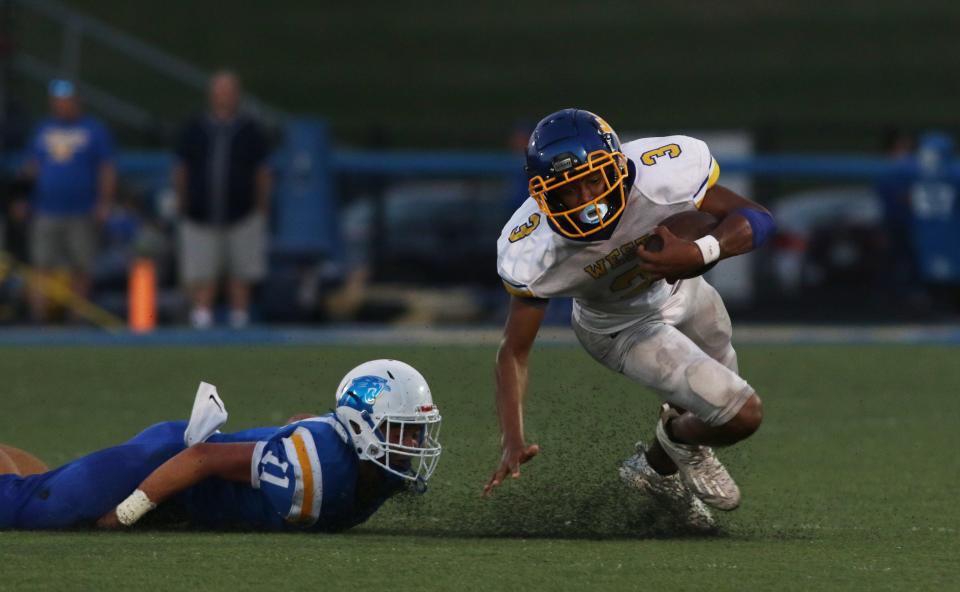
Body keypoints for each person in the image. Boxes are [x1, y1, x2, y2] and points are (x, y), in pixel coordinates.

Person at [483, 109, 775, 531]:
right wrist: (512, 438)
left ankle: (655, 468)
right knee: (739, 416)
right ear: (544, 194)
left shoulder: (662, 175)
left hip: (682, 290)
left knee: (710, 400)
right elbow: (514, 350)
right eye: (570, 190)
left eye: (594, 180)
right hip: (618, 326)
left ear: (618, 166)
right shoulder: (533, 249)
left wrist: (699, 253)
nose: (587, 201)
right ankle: (678, 439)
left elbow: (758, 219)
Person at [0, 359, 442, 531]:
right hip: (164, 464)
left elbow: (300, 422)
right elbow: (202, 457)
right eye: (401, 430)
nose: (413, 444)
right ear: (361, 427)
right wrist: (123, 515)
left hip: (189, 496)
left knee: (37, 490)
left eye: (416, 432)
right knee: (27, 511)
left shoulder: (372, 467)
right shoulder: (321, 466)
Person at [174, 70, 271, 329]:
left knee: (241, 272)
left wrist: (261, 207)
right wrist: (182, 202)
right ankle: (202, 318)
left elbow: (262, 172)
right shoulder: (194, 128)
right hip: (200, 214)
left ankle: (239, 318)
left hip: (242, 213)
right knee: (202, 273)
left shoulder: (251, 130)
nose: (224, 97)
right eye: (220, 91)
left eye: (229, 91)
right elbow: (182, 169)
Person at [23, 79, 116, 321]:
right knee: (41, 265)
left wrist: (104, 202)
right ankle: (39, 317)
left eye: (66, 101)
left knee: (81, 266)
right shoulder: (43, 129)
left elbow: (106, 169)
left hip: (81, 209)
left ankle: (78, 318)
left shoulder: (93, 130)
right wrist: (23, 196)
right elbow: (32, 167)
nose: (61, 106)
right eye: (57, 101)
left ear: (76, 102)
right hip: (46, 208)